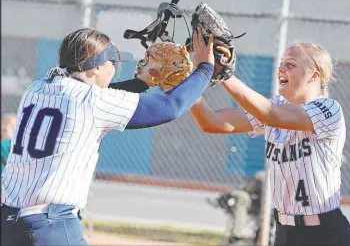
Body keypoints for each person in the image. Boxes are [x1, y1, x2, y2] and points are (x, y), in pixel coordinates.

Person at [1, 26, 215, 246]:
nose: (114, 69)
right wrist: (205, 68)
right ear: (94, 68)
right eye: (111, 63)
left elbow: (98, 96)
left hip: (7, 223)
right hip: (49, 227)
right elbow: (170, 106)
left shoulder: (37, 88)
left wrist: (142, 83)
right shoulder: (92, 102)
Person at [188, 42, 350, 245]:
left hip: (325, 234)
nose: (281, 68)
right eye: (281, 62)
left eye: (290, 64)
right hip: (285, 232)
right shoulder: (277, 106)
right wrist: (184, 82)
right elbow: (212, 122)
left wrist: (225, 74)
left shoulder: (329, 110)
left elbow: (272, 115)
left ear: (314, 75)